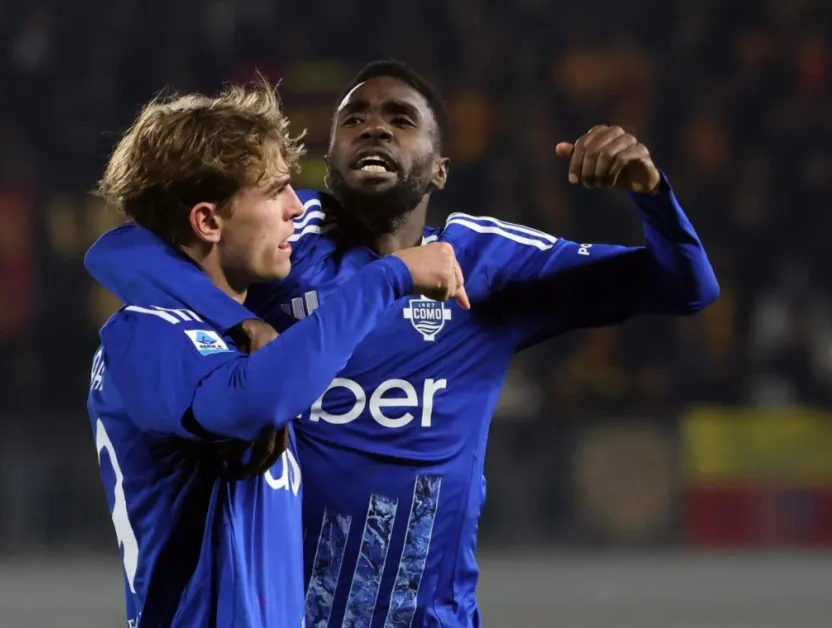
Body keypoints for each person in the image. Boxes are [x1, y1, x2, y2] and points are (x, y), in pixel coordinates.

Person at [87, 60, 719, 627]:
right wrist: (227, 317)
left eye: (400, 119)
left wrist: (652, 194)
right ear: (329, 164)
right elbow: (126, 248)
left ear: (440, 167)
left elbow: (685, 286)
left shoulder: (478, 261)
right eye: (353, 118)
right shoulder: (281, 243)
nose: (374, 128)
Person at [84, 79, 469, 628]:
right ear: (208, 221)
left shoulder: (223, 334)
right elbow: (252, 403)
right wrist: (390, 277)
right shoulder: (144, 334)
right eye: (275, 190)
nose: (296, 208)